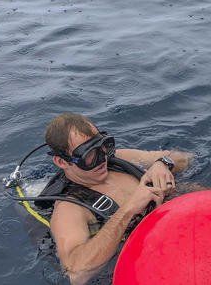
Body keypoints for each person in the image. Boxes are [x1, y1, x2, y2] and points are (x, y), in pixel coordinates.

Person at [44, 113, 198, 284]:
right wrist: (129, 208)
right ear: (62, 162)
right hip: (156, 260)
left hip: (186, 224)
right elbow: (76, 272)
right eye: (89, 154)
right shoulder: (69, 209)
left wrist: (163, 163)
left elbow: (187, 158)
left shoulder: (119, 159)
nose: (102, 158)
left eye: (102, 146)